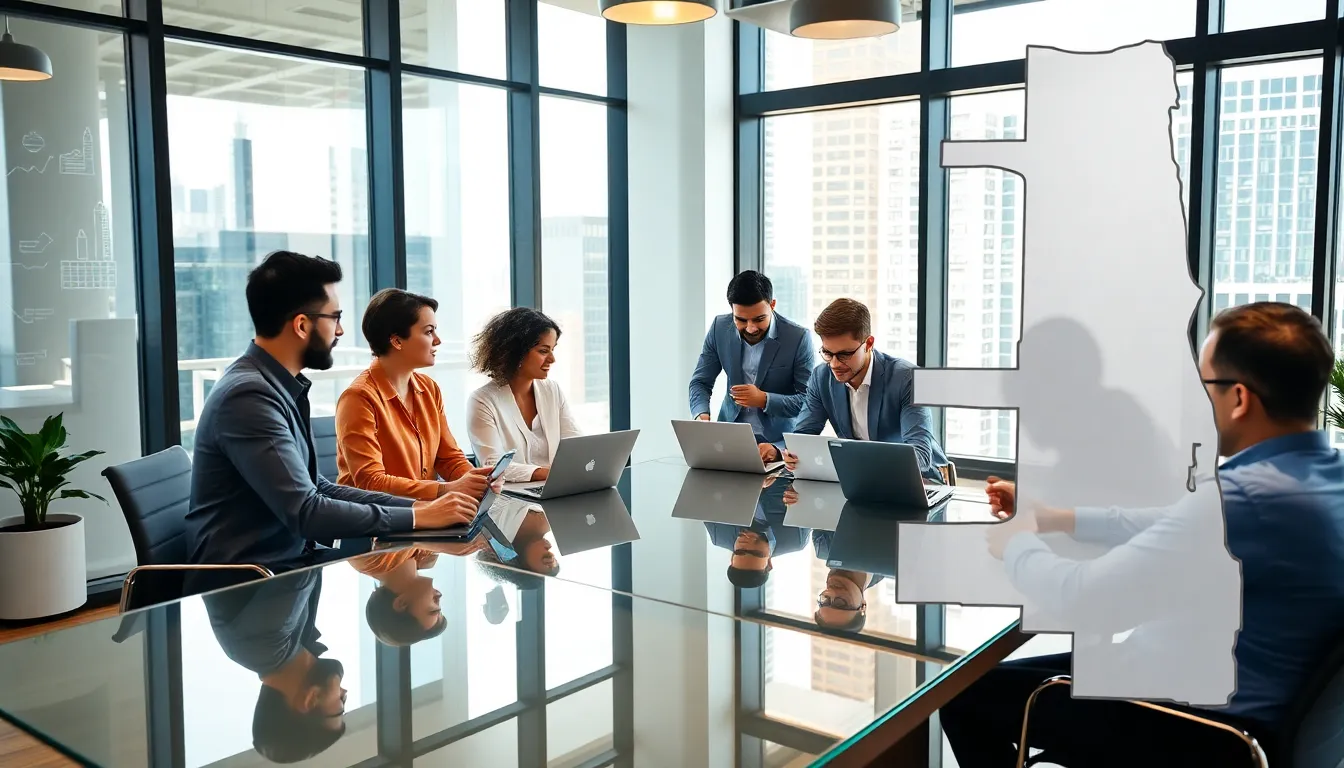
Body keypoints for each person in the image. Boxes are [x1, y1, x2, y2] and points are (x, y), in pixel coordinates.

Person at [942, 302, 1344, 767]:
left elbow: (1083, 596)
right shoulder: (1321, 478)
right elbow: (1173, 523)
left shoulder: (1242, 499)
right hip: (1240, 704)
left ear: (1239, 399)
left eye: (1204, 384)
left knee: (962, 694)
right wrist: (1058, 518)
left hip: (1195, 726)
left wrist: (1017, 545)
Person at [186, 250, 480, 567]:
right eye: (335, 318)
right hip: (250, 584)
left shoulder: (277, 386)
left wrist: (419, 508)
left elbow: (319, 487)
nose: (339, 331)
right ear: (301, 325)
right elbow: (307, 512)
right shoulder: (248, 398)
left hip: (291, 564)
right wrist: (418, 515)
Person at [335, 288, 498, 501]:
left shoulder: (429, 388)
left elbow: (448, 458)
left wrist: (478, 480)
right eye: (429, 331)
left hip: (426, 513)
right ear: (397, 341)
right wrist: (447, 490)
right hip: (376, 522)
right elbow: (371, 482)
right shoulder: (358, 398)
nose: (437, 340)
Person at [780, 298, 948, 482]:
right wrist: (792, 454)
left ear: (868, 343)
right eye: (828, 353)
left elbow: (920, 456)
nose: (835, 364)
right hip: (860, 481)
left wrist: (861, 466)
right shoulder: (821, 377)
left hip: (919, 480)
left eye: (844, 354)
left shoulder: (909, 378)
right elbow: (802, 437)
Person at [203, 569, 345, 763]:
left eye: (340, 707)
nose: (344, 693)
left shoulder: (266, 642)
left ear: (310, 700)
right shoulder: (286, 648)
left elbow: (307, 548)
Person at [689, 270, 814, 464]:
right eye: (741, 320)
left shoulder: (798, 338)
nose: (750, 328)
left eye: (758, 319)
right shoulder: (719, 328)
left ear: (772, 305)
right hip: (728, 443)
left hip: (778, 447)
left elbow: (808, 402)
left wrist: (764, 399)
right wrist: (701, 416)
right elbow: (700, 382)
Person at [467, 307, 582, 484]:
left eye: (552, 350)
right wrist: (549, 473)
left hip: (556, 489)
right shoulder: (482, 400)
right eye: (544, 351)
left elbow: (576, 445)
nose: (552, 359)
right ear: (516, 352)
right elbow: (493, 466)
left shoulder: (552, 390)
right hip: (509, 501)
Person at [704, 474, 807, 589]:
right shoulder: (795, 539)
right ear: (769, 563)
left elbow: (706, 485)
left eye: (739, 551)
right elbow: (814, 492)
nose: (746, 544)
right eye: (756, 552)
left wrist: (750, 484)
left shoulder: (718, 533)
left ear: (732, 558)